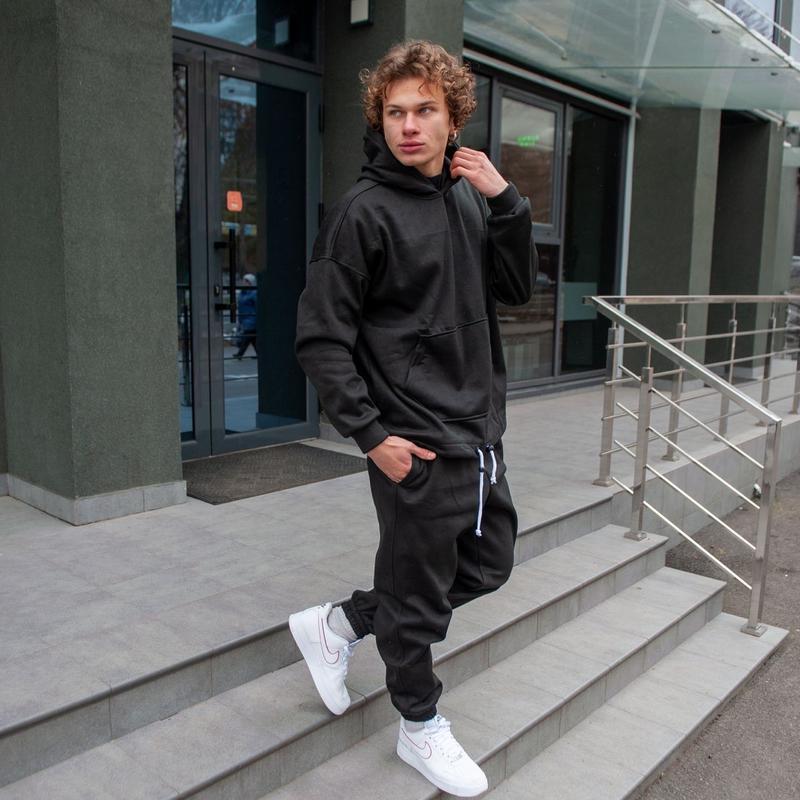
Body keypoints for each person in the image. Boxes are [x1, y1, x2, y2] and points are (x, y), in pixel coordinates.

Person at [290, 40, 537, 797]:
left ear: (453, 117)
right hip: (415, 443)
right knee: (419, 596)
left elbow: (515, 290)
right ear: (381, 119)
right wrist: (372, 438)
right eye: (395, 112)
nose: (408, 125)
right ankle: (419, 723)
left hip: (478, 432)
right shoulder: (361, 214)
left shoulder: (467, 194)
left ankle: (339, 625)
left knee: (489, 566)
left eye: (425, 109)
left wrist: (507, 203)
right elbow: (321, 340)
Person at [234, 273, 257, 359]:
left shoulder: (254, 293)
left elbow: (257, 306)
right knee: (253, 338)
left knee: (247, 336)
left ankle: (240, 354)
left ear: (251, 283)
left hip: (251, 319)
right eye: (244, 281)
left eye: (247, 281)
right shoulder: (242, 293)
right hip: (244, 318)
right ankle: (260, 353)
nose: (244, 282)